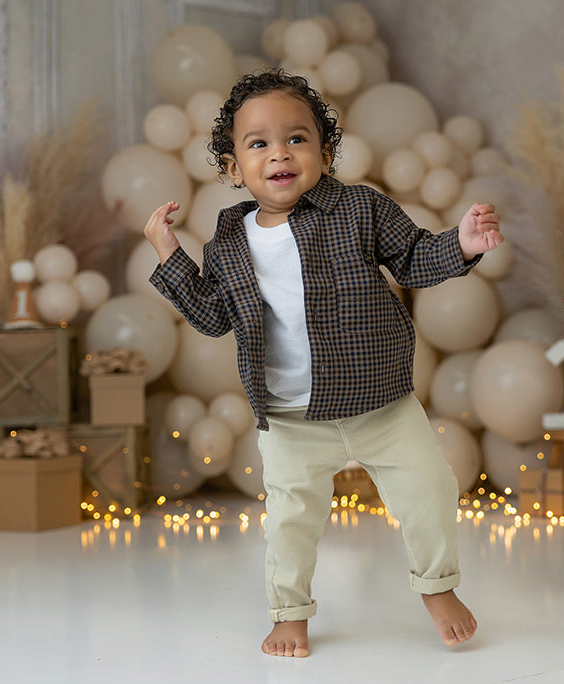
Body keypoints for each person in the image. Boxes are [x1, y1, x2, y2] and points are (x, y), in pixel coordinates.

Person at [144, 69, 503, 658]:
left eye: (297, 138)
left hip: (381, 403)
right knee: (289, 521)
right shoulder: (229, 242)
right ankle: (290, 613)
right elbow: (211, 317)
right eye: (258, 143)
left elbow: (412, 258)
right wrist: (167, 251)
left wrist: (460, 243)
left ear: (325, 153)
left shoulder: (357, 208)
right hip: (289, 417)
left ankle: (438, 588)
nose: (279, 153)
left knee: (430, 489)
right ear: (235, 168)